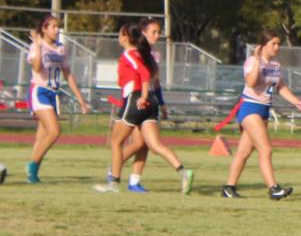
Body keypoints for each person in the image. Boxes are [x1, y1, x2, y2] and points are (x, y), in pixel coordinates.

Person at [95, 23, 194, 195]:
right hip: (151, 103)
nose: (118, 37)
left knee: (116, 142)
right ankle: (184, 172)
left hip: (136, 100)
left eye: (120, 33)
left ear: (126, 36)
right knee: (154, 145)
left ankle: (114, 182)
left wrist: (142, 95)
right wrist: (156, 101)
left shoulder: (130, 54)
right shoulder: (145, 55)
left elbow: (145, 75)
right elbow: (150, 76)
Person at [221, 30, 301, 200]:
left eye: (278, 43)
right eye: (273, 43)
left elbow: (280, 87)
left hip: (264, 109)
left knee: (244, 152)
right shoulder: (253, 61)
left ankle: (228, 188)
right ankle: (273, 188)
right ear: (263, 46)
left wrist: (296, 101)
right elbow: (251, 83)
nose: (277, 47)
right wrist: (258, 60)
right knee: (266, 149)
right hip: (249, 108)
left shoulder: (275, 65)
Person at [25, 14, 89, 183]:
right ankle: (31, 165)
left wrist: (81, 99)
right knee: (55, 131)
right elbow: (37, 68)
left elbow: (68, 75)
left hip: (54, 93)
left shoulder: (60, 48)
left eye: (57, 27)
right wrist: (38, 47)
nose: (56, 30)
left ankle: (32, 175)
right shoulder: (36, 46)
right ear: (44, 29)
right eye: (52, 26)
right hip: (40, 91)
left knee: (42, 135)